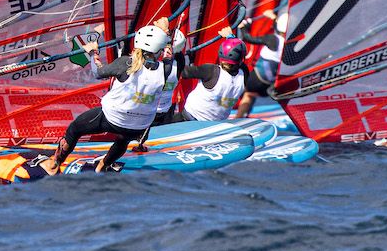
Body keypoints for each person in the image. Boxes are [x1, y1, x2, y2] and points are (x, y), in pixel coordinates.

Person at [44, 24, 179, 174]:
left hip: (112, 118)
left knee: (75, 129)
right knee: (124, 139)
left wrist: (93, 52)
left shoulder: (126, 63)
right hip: (139, 126)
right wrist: (166, 37)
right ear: (159, 49)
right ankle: (103, 165)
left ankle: (54, 164)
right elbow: (168, 55)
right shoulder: (165, 69)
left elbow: (98, 72)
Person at [163, 36, 267, 124]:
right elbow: (239, 61)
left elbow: (182, 72)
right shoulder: (244, 74)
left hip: (188, 120)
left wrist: (176, 53)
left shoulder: (211, 71)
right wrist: (231, 37)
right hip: (214, 126)